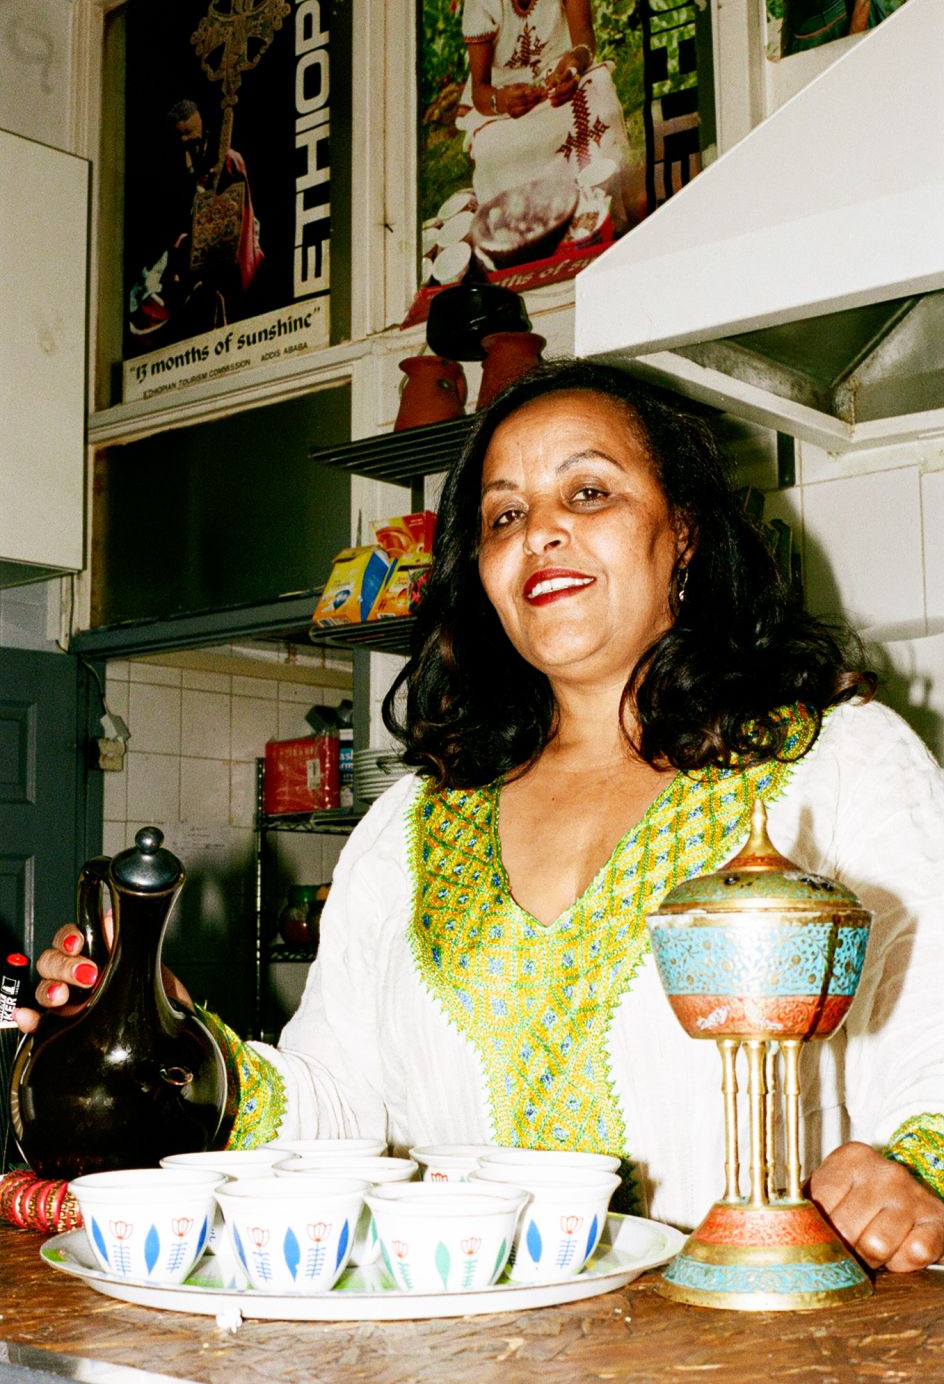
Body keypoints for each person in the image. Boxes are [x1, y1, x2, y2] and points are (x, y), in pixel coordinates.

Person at [19, 359, 944, 1273]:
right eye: (505, 515)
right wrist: (175, 1041)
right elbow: (344, 1109)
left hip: (742, 1348)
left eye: (588, 493)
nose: (541, 530)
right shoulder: (415, 823)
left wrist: (912, 1174)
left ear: (686, 533)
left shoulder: (832, 762)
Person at [453, 0, 644, 232]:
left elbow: (584, 40)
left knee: (602, 98)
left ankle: (604, 216)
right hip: (504, 103)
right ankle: (527, 235)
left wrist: (575, 65)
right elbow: (481, 93)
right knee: (493, 151)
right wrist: (502, 100)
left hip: (560, 82)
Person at [128, 98, 264, 344]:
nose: (185, 141)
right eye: (180, 136)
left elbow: (236, 204)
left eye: (189, 133)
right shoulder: (182, 165)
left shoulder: (228, 160)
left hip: (219, 243)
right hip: (191, 242)